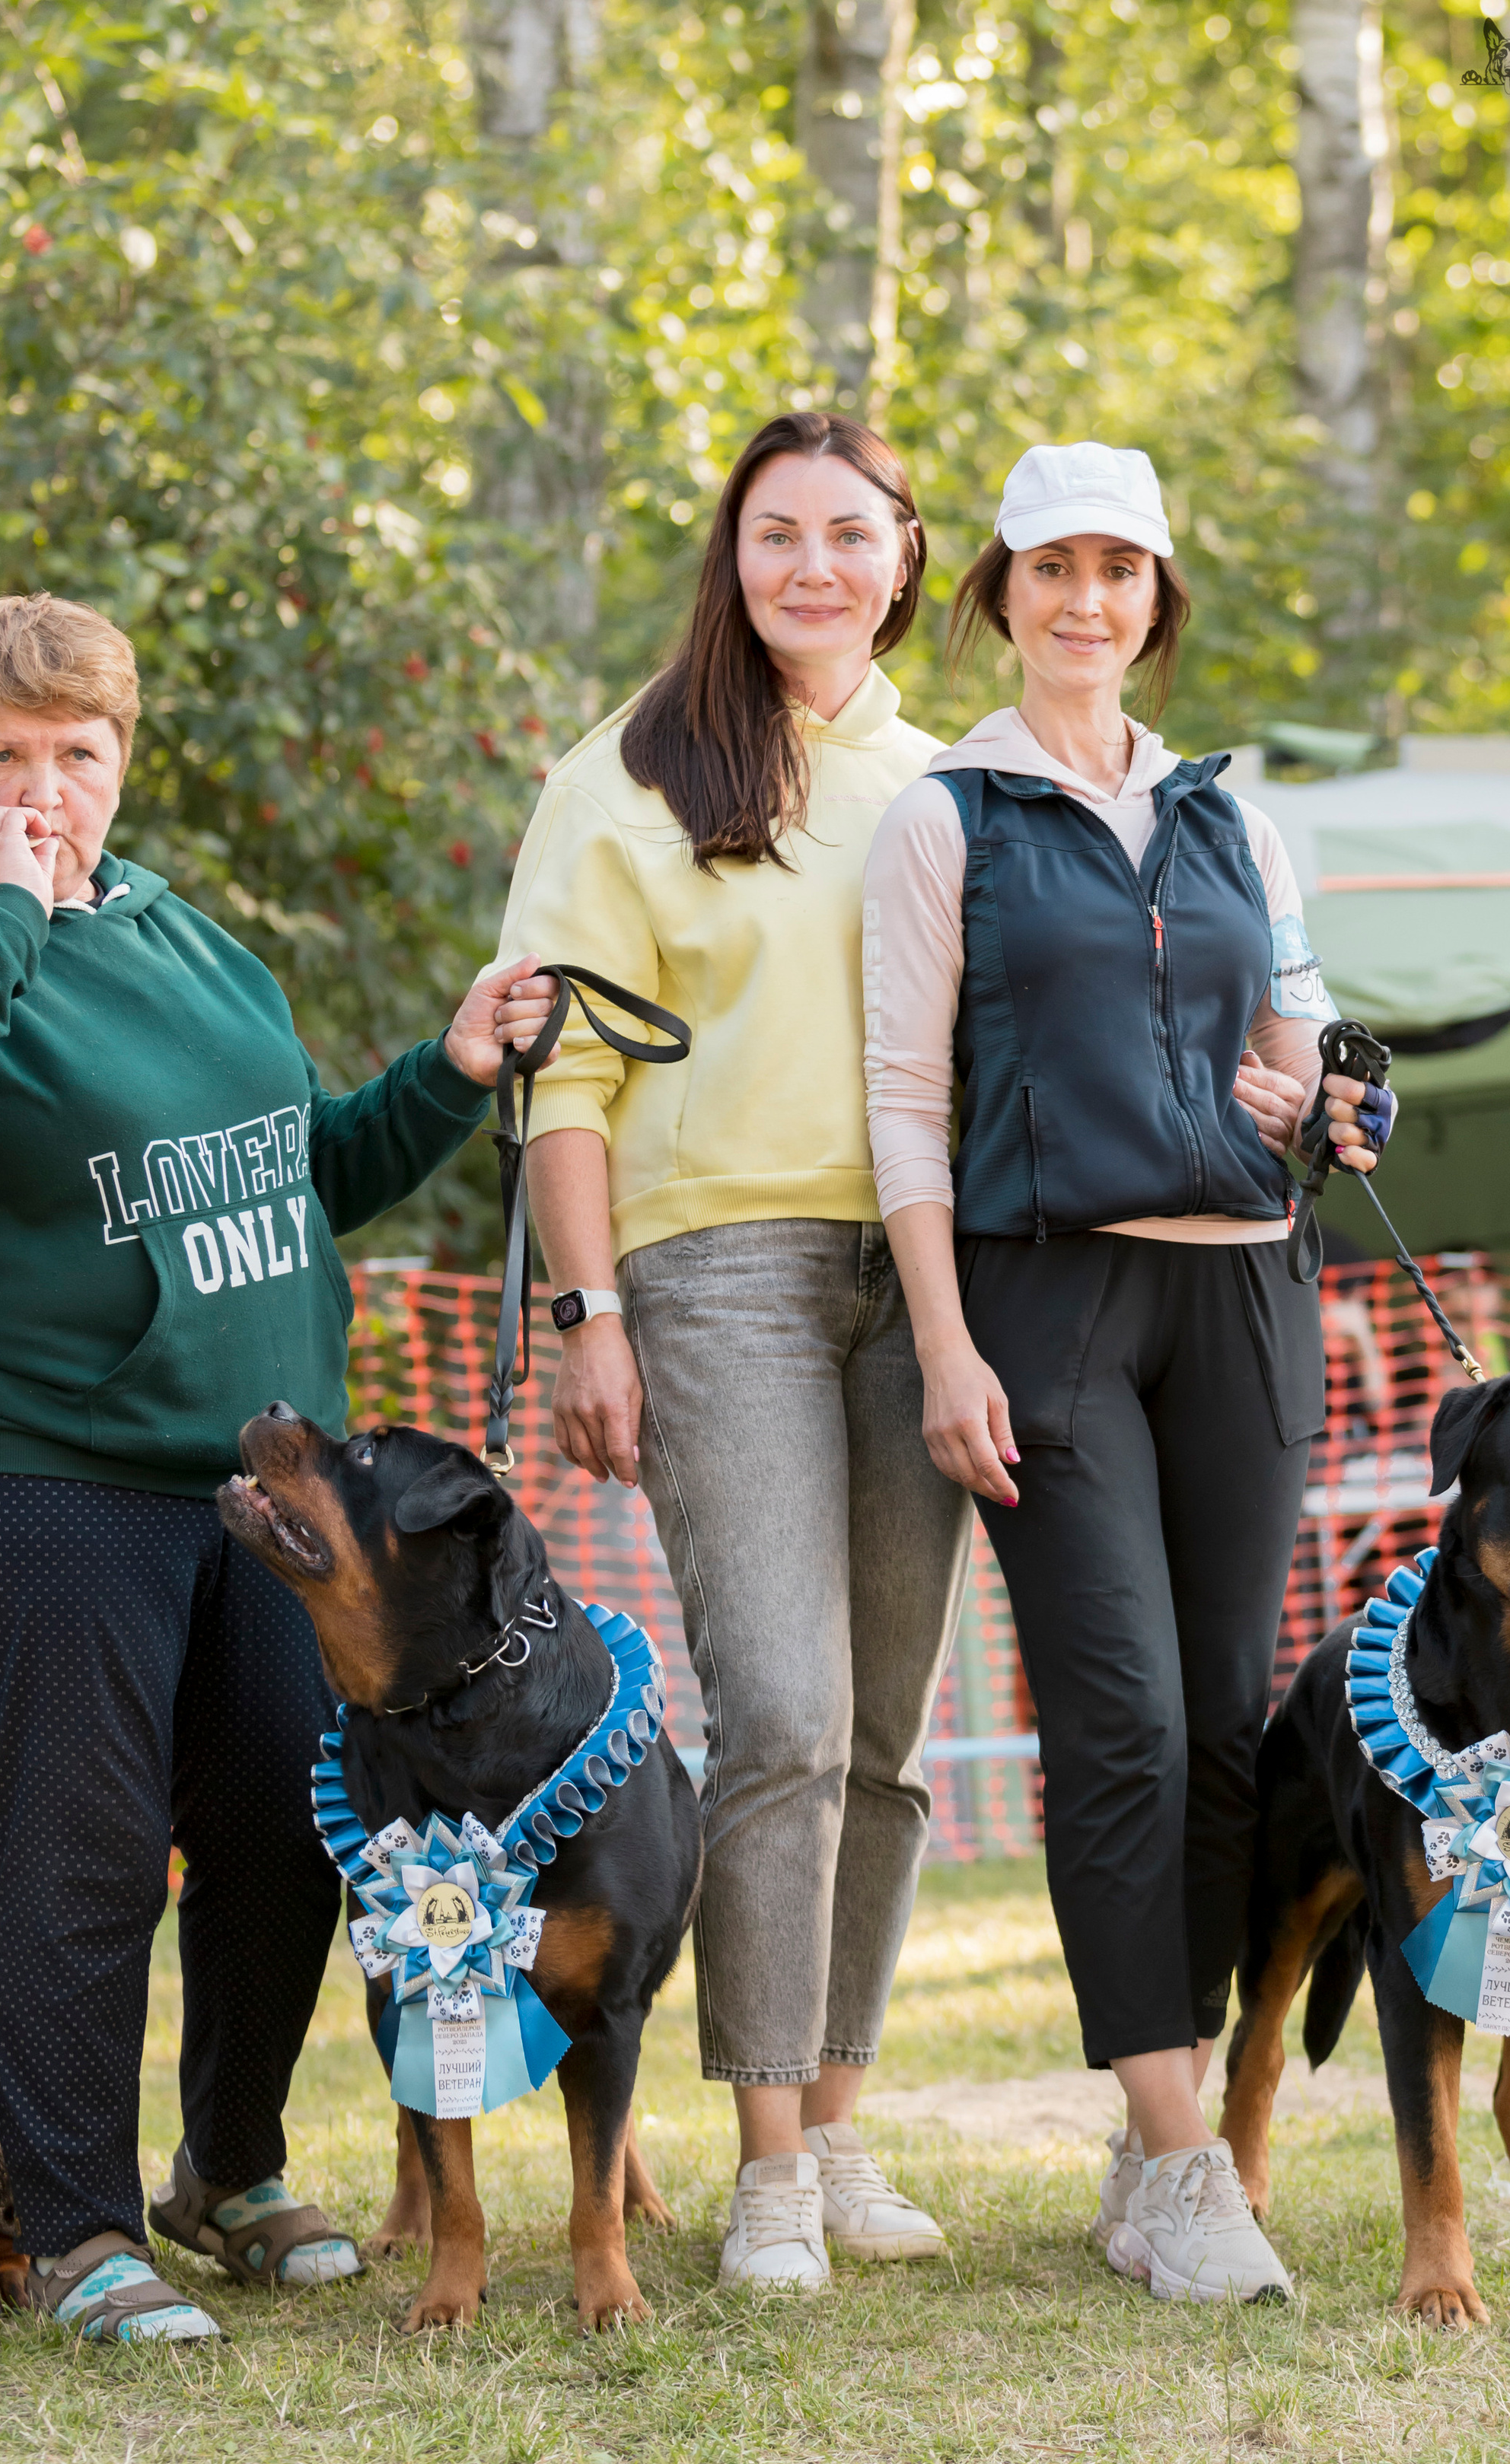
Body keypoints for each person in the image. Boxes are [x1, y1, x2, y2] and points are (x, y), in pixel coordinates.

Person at [0, 594, 558, 2344]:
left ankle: (230, 2165)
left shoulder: (200, 947)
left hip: (256, 1491)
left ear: (123, 760)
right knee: (92, 1837)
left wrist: (443, 1071)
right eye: (0, 756)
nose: (42, 785)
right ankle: (74, 2227)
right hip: (34, 1465)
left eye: (76, 751)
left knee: (287, 1819)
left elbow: (302, 1174)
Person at [862, 442, 1394, 2306]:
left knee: (1220, 1743)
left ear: (1156, 601)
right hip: (1045, 1309)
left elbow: (1306, 1041)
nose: (1086, 599)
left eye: (1122, 569)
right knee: (1118, 1724)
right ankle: (1182, 2164)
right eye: (1051, 566)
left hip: (1248, 1306)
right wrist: (941, 1341)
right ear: (995, 592)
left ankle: (1148, 2137)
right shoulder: (943, 819)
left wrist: (1330, 1101)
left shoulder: (1238, 818)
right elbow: (902, 1105)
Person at [486, 412, 973, 2297]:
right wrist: (585, 1309)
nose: (814, 568)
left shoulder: (949, 783)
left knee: (884, 1731)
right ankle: (768, 2156)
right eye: (777, 534)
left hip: (922, 1276)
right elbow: (566, 1075)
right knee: (777, 1711)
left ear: (907, 556)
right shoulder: (622, 771)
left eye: (851, 535)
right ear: (731, 553)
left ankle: (840, 2125)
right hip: (713, 1273)